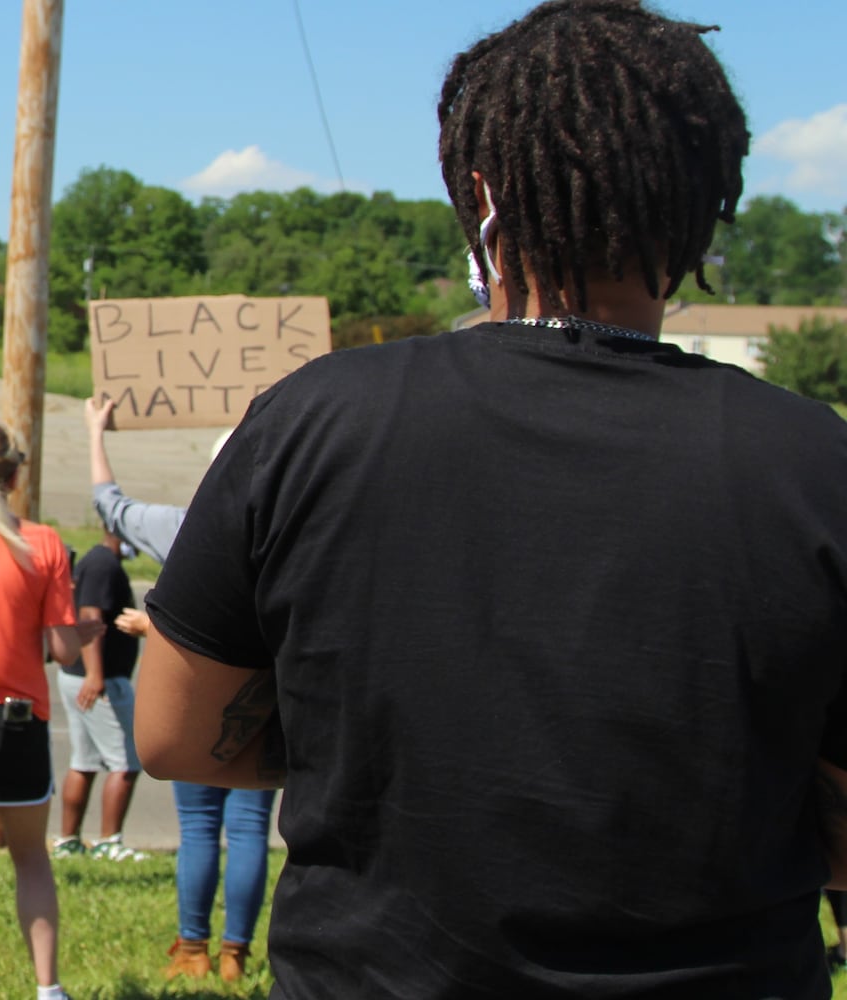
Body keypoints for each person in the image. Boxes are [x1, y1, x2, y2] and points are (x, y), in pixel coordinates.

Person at [135, 2, 847, 997]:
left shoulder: (314, 420)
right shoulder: (814, 460)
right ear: (704, 197)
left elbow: (172, 733)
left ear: (479, 192)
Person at [84, 396, 273, 983]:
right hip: (265, 701)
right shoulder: (291, 532)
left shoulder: (182, 528)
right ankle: (235, 956)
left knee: (198, 828)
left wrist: (95, 432)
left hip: (192, 698)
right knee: (247, 830)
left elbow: (109, 508)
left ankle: (192, 950)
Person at [0, 423, 93, 1000]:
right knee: (30, 857)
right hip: (16, 719)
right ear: (16, 474)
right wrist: (86, 629)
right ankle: (47, 987)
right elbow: (61, 648)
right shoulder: (43, 543)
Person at [51, 527, 148, 863]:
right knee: (126, 761)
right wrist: (95, 674)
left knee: (85, 761)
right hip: (98, 681)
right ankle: (110, 840)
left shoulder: (101, 562)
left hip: (83, 677)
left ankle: (69, 840)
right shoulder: (103, 564)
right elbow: (90, 615)